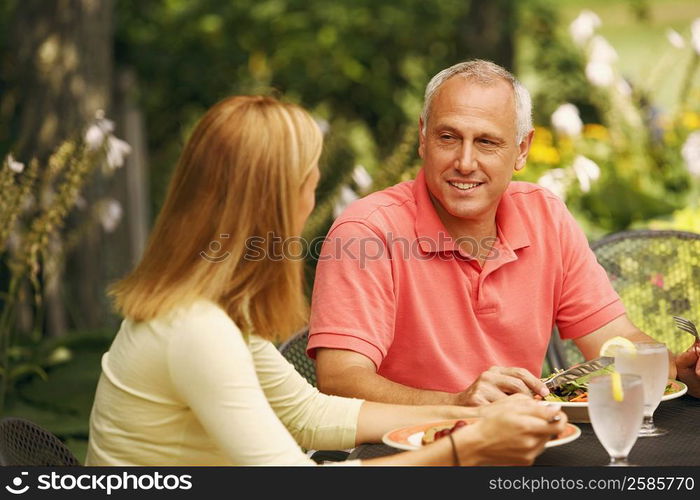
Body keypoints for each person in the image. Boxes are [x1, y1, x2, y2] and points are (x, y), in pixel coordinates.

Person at [86, 95, 567, 466]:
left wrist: (475, 417)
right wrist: (469, 446)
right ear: (279, 200)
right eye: (309, 179)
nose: (313, 192)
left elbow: (309, 416)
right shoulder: (197, 331)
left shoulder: (211, 312)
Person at [308, 59, 700, 406]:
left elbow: (613, 338)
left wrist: (677, 370)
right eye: (448, 137)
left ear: (522, 149)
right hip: (404, 457)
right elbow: (340, 379)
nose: (465, 162)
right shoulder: (366, 232)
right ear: (423, 137)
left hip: (521, 449)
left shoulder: (546, 215)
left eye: (486, 142)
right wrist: (458, 403)